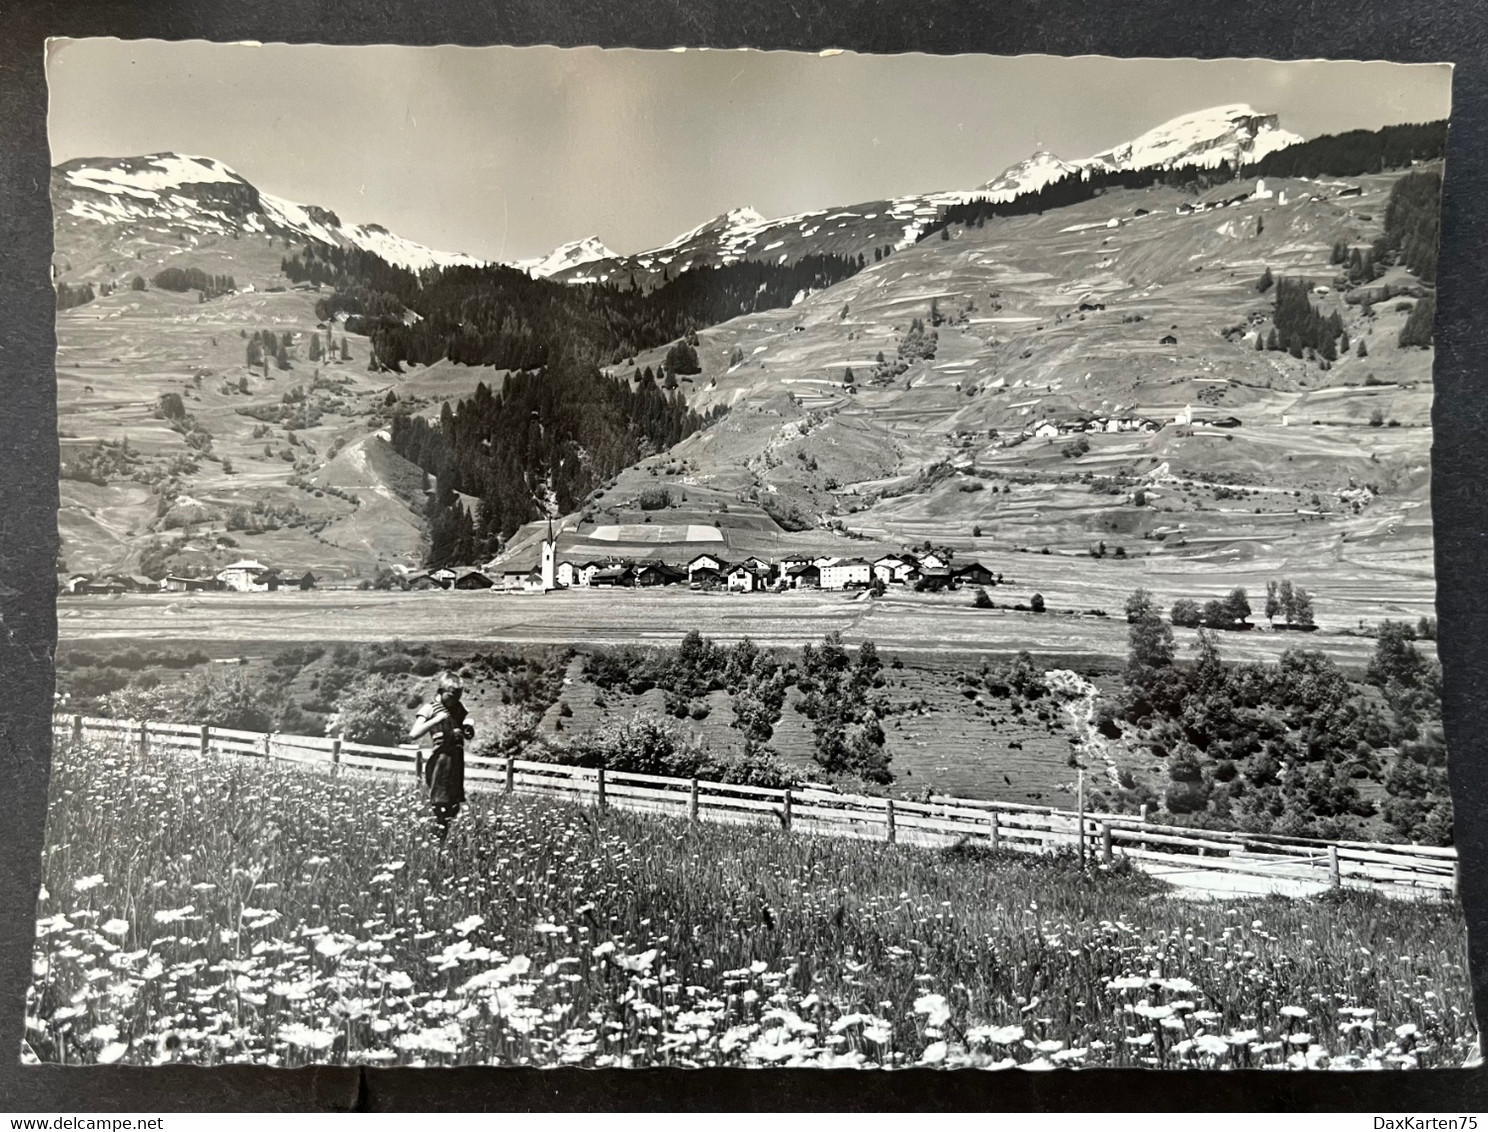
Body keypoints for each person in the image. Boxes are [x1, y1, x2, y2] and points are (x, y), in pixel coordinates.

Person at [407, 671, 474, 840]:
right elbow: (414, 734)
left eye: (458, 697)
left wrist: (467, 730)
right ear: (441, 691)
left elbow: (463, 729)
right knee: (440, 802)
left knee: (454, 804)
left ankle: (443, 836)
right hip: (441, 761)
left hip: (457, 760)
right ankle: (436, 837)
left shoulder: (458, 708)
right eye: (451, 696)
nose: (455, 700)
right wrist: (436, 720)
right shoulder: (430, 708)